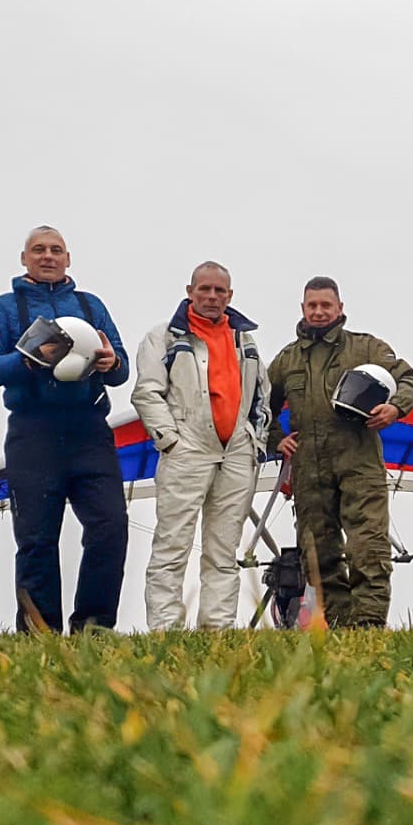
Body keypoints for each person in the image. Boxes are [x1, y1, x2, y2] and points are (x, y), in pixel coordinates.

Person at [0, 226, 129, 634]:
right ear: (24, 259)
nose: (48, 256)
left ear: (68, 258)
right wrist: (24, 360)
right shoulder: (5, 308)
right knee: (37, 538)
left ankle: (94, 628)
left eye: (56, 250)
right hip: (32, 432)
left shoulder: (91, 306)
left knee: (110, 526)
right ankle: (40, 633)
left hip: (90, 430)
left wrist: (112, 364)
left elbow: (122, 366)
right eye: (38, 250)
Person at [267, 277, 413, 629]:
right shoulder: (287, 359)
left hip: (359, 461)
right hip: (309, 467)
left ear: (339, 308)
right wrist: (275, 437)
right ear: (303, 309)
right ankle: (338, 627)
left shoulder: (365, 348)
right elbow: (260, 405)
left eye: (326, 305)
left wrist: (395, 408)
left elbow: (410, 378)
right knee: (317, 552)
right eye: (312, 306)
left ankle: (367, 626)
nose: (319, 312)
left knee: (367, 544)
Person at [132, 261, 270, 629]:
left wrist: (256, 443)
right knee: (172, 544)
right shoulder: (163, 337)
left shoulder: (247, 341)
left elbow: (261, 397)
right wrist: (171, 441)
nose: (212, 297)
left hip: (237, 452)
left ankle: (218, 631)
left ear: (230, 296)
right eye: (204, 289)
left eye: (219, 291)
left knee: (224, 549)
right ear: (190, 291)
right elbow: (147, 392)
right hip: (187, 448)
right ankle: (165, 629)